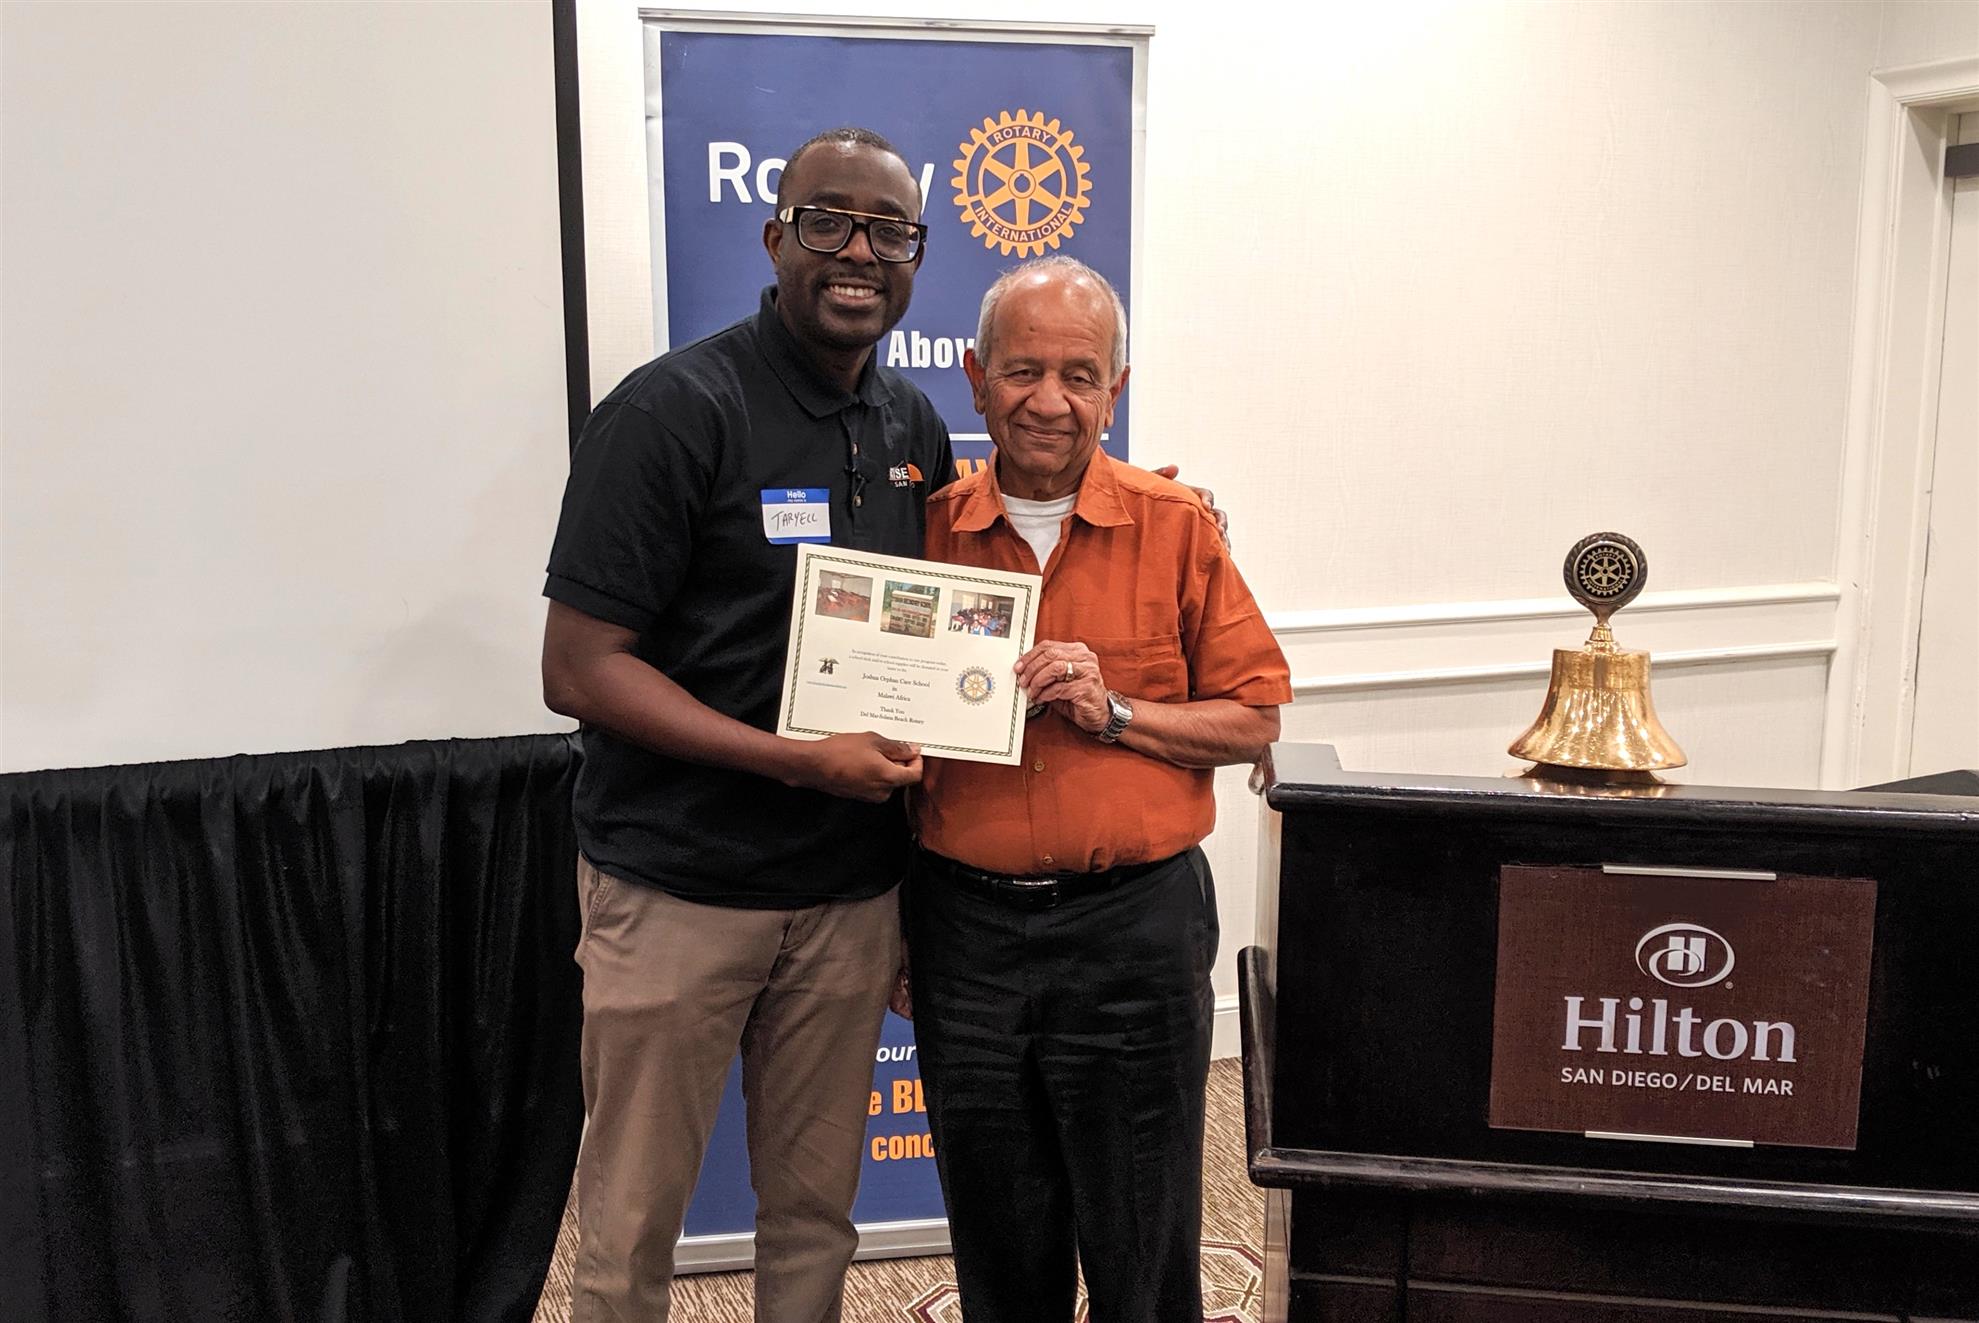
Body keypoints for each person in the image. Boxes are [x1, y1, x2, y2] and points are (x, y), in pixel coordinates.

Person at [539, 126, 949, 1323]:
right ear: (775, 238)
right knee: (630, 1230)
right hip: (676, 890)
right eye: (829, 221)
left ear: (915, 258)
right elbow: (578, 669)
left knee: (815, 1217)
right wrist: (793, 762)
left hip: (848, 901)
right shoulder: (670, 412)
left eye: (888, 231)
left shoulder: (912, 428)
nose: (858, 251)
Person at [903, 256, 1292, 1322]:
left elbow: (1253, 717)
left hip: (1132, 933)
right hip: (963, 936)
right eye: (1021, 370)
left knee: (1141, 1242)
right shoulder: (922, 534)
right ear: (974, 378)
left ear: (1113, 391)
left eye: (1079, 375)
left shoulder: (1175, 526)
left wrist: (1114, 710)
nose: (1049, 400)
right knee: (997, 1241)